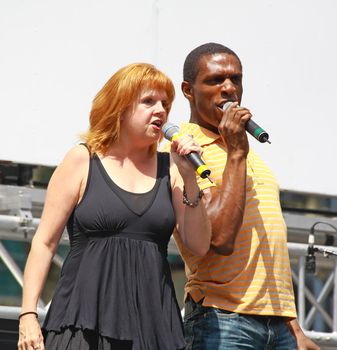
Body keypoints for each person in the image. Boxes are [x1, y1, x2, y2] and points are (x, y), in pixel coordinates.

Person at [17, 62, 212, 350]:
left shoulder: (170, 169)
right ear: (119, 106)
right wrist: (28, 314)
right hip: (83, 320)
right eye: (148, 101)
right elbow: (45, 243)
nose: (160, 110)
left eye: (165, 104)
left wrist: (190, 180)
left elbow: (198, 245)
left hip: (152, 326)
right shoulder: (82, 160)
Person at [169, 43, 320, 349]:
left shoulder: (247, 152)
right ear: (188, 90)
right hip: (223, 320)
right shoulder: (184, 150)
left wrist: (295, 328)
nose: (228, 89)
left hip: (278, 326)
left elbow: (268, 251)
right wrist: (237, 150)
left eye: (235, 79)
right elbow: (220, 238)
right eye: (215, 80)